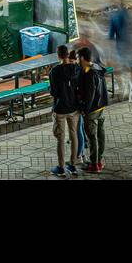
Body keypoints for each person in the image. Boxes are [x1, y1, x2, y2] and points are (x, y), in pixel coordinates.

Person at [48, 44, 80, 176]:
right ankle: (73, 165)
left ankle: (61, 168)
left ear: (58, 56)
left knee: (60, 138)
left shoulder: (54, 71)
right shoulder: (76, 68)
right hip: (74, 108)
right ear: (67, 55)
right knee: (74, 135)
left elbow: (54, 92)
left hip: (60, 109)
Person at [76, 47, 108, 173]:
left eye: (79, 58)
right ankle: (99, 160)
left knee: (92, 137)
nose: (78, 61)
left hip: (92, 109)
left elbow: (90, 94)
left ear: (83, 58)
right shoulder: (97, 67)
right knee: (100, 135)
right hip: (101, 106)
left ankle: (94, 164)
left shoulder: (89, 74)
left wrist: (85, 109)